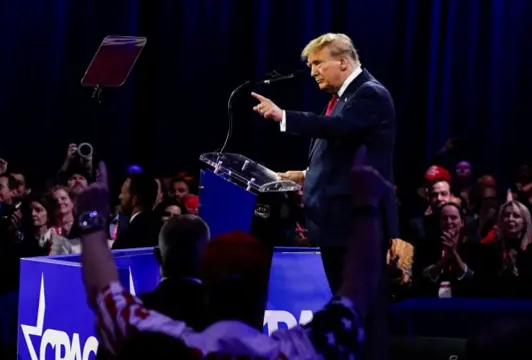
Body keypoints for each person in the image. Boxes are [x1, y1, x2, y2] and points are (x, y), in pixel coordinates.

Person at [76, 146, 389, 358]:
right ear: (263, 295)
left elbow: (104, 293)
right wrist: (366, 207)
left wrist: (92, 218)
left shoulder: (159, 341)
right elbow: (357, 292)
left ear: (206, 288)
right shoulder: (299, 350)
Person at [251, 33, 397, 291]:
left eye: (318, 63)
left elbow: (338, 127)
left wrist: (283, 115)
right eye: (310, 66)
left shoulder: (370, 94)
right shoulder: (343, 98)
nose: (313, 72)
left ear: (342, 62)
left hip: (351, 226)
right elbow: (344, 152)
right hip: (336, 227)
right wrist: (305, 175)